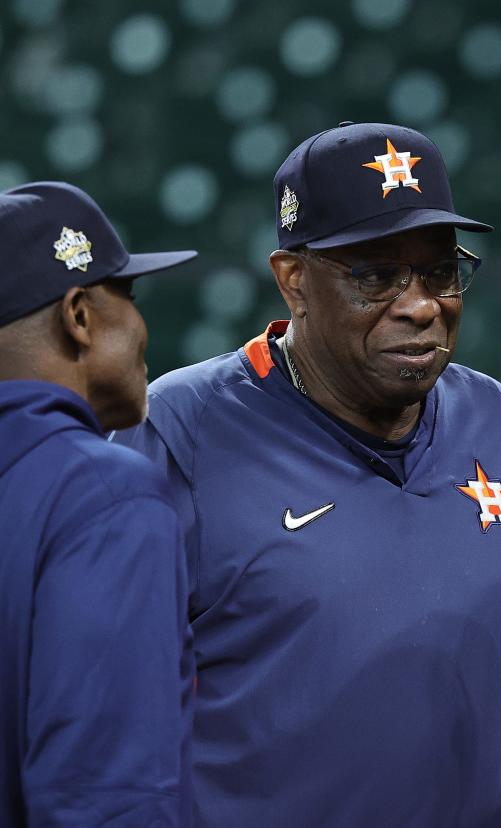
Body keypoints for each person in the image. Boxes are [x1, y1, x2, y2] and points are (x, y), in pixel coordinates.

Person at [113, 122, 501, 826]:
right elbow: (102, 721)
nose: (420, 305)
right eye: (376, 275)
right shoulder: (176, 432)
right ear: (293, 281)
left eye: (440, 271)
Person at [0, 181, 196, 825]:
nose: (141, 324)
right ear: (79, 315)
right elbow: (105, 796)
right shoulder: (102, 493)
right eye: (128, 296)